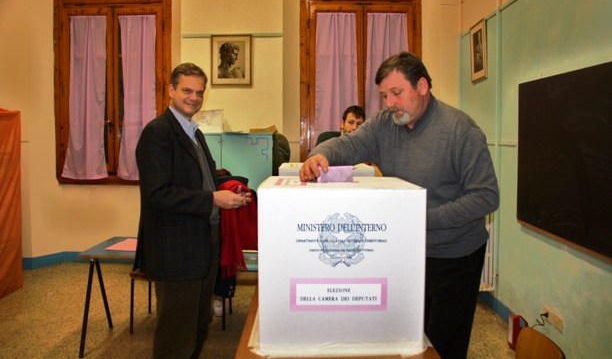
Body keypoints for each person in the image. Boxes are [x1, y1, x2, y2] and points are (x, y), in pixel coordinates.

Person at [300, 52, 499, 359]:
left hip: (454, 256)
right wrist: (320, 155)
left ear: (422, 86)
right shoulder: (384, 124)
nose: (390, 103)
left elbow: (486, 196)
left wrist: (419, 217)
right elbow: (348, 144)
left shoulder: (461, 130)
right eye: (384, 96)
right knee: (406, 338)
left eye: (396, 93)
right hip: (407, 251)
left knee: (444, 344)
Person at [134, 62, 252, 358]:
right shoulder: (157, 133)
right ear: (170, 90)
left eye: (199, 92)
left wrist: (230, 191)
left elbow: (202, 180)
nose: (194, 98)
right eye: (187, 90)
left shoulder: (194, 133)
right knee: (176, 335)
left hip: (204, 244)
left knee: (199, 326)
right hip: (176, 250)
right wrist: (213, 199)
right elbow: (157, 195)